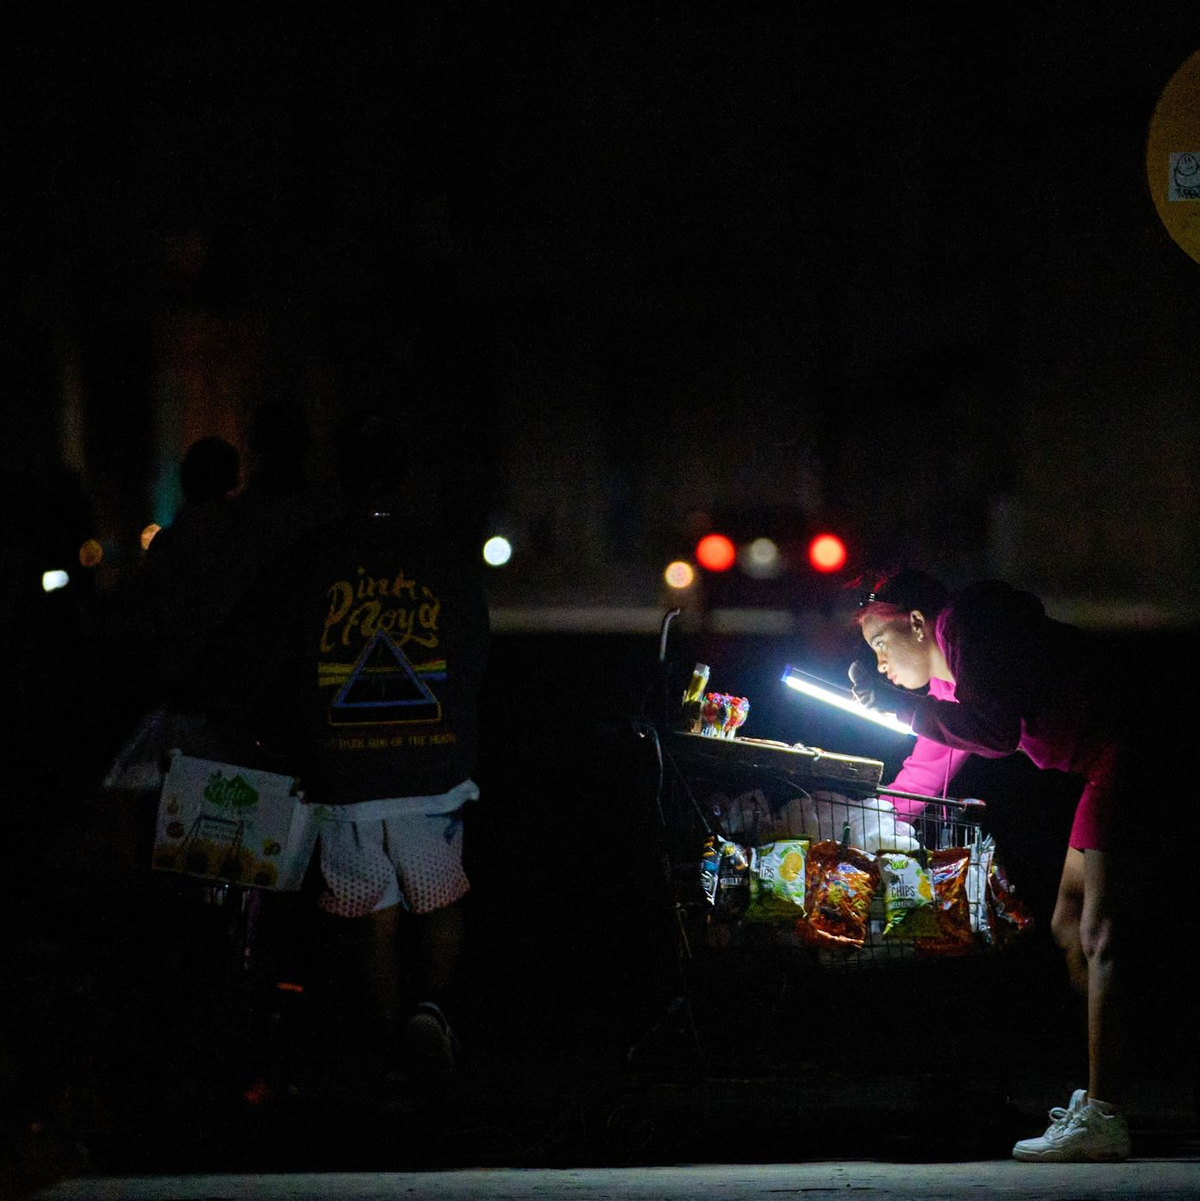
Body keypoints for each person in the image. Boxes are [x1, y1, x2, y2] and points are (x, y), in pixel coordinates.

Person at [203, 407, 489, 1097]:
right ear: (405, 478)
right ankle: (433, 1012)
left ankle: (392, 1050)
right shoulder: (441, 554)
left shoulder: (311, 556)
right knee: (441, 895)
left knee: (372, 915)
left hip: (344, 772)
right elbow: (477, 649)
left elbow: (252, 652)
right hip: (433, 767)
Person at [848, 568, 1146, 1163]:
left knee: (1100, 931)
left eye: (882, 646)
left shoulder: (968, 627)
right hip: (1098, 764)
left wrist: (900, 709)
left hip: (1131, 744)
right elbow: (928, 773)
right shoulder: (945, 690)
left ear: (916, 624)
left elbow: (997, 731)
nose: (881, 666)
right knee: (1067, 924)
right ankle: (1098, 1097)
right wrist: (867, 830)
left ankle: (1107, 1116)